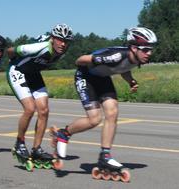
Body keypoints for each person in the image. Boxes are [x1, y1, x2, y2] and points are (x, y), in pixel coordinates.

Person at [50, 27, 157, 181]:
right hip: (85, 77)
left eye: (151, 49)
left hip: (103, 78)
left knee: (112, 112)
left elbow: (124, 67)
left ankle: (105, 155)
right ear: (133, 47)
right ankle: (64, 133)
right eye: (146, 49)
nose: (149, 53)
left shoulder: (136, 58)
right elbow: (79, 60)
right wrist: (97, 59)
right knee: (94, 119)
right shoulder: (115, 55)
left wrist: (130, 81)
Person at [6, 24, 73, 162]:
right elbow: (11, 50)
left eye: (66, 41)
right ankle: (19, 143)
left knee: (44, 110)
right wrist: (11, 59)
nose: (63, 44)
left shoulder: (62, 52)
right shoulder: (39, 47)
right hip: (18, 70)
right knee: (30, 109)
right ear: (53, 38)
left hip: (33, 73)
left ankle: (36, 149)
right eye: (60, 39)